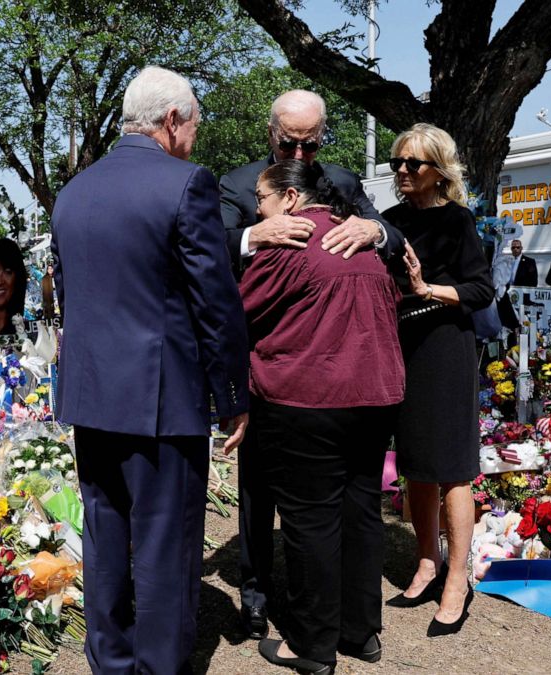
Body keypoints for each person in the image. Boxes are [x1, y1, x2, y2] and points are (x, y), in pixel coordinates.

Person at [50, 65, 250, 675]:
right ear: (170, 121)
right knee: (165, 546)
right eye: (193, 125)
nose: (194, 138)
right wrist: (234, 394)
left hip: (91, 397)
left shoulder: (73, 191)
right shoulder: (187, 183)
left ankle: (110, 662)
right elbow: (214, 302)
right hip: (162, 401)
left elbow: (70, 295)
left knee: (105, 539)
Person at [219, 89, 406, 639]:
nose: (298, 153)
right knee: (257, 489)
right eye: (288, 141)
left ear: (322, 135)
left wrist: (377, 231)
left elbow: (392, 237)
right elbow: (207, 244)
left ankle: (328, 614)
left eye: (309, 141)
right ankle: (257, 596)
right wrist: (256, 233)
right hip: (269, 356)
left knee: (326, 508)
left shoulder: (342, 183)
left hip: (325, 370)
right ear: (269, 131)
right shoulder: (237, 184)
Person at [382, 123, 494, 637]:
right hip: (402, 349)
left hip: (447, 348)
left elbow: (480, 290)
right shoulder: (386, 223)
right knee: (415, 464)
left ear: (437, 171)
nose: (403, 171)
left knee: (451, 466)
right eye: (397, 163)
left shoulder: (457, 221)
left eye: (414, 164)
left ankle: (456, 577)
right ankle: (426, 562)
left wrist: (428, 288)